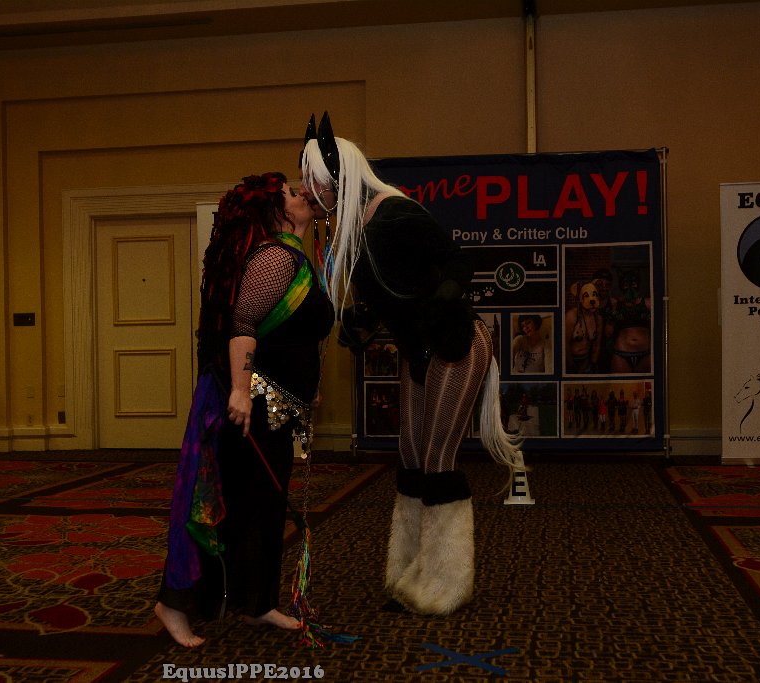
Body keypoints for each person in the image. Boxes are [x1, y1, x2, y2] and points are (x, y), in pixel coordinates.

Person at [299, 112, 523, 616]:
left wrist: (442, 301)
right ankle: (409, 572)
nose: (307, 190)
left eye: (313, 180)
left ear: (337, 178)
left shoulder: (395, 214)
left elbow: (457, 260)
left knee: (438, 458)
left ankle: (445, 583)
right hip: (417, 348)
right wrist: (362, 320)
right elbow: (391, 291)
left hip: (453, 344)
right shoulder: (356, 227)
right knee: (411, 454)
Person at [155, 172, 334, 647]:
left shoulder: (294, 256)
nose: (303, 194)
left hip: (279, 405)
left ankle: (256, 602)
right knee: (222, 505)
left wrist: (310, 386)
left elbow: (297, 333)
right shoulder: (274, 256)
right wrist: (238, 389)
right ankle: (174, 603)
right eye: (292, 193)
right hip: (253, 405)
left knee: (264, 508)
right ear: (274, 212)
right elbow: (243, 324)